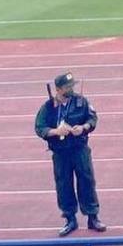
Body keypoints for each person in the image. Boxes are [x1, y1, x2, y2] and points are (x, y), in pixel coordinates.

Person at [34, 73, 105, 236]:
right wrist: (55, 131)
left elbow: (92, 118)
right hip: (60, 152)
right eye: (67, 87)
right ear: (58, 89)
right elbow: (39, 127)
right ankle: (70, 218)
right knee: (63, 184)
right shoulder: (48, 107)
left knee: (87, 181)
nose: (71, 89)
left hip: (79, 148)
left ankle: (92, 216)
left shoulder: (81, 102)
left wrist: (84, 127)